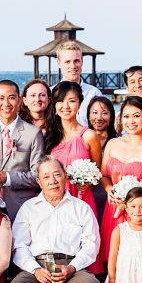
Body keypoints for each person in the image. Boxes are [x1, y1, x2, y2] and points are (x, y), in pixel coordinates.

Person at [98, 97, 142, 276]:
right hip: (113, 212)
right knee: (111, 262)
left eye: (136, 116)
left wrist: (135, 203)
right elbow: (104, 175)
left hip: (138, 215)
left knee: (138, 268)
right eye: (126, 116)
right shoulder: (113, 144)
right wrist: (109, 189)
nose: (130, 121)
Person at [0, 79, 46, 222]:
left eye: (11, 98)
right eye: (1, 98)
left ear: (19, 100)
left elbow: (38, 176)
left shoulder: (33, 133)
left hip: (22, 206)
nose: (6, 103)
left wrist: (7, 177)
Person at [44, 81, 102, 224]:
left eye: (71, 101)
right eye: (61, 101)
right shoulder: (47, 135)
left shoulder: (89, 136)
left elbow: (97, 171)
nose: (66, 106)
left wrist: (87, 183)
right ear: (55, 104)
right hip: (53, 199)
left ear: (80, 104)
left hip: (81, 198)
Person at [86, 95, 118, 224]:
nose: (99, 118)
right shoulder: (82, 140)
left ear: (111, 118)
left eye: (104, 113)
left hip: (109, 197)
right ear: (88, 116)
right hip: (86, 195)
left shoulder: (118, 142)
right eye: (94, 113)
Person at [55, 41, 103, 125]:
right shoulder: (51, 93)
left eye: (76, 61)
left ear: (82, 61)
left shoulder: (94, 93)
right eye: (67, 62)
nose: (73, 66)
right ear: (58, 63)